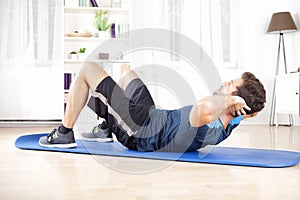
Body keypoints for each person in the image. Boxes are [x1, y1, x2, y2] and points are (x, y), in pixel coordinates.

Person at [39, 63, 266, 152]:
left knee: (88, 69)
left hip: (138, 129)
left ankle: (64, 133)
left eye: (231, 85)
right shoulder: (232, 120)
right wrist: (238, 105)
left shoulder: (210, 123)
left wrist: (232, 101)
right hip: (152, 115)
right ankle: (107, 126)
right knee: (126, 71)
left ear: (234, 100)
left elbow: (204, 107)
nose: (225, 83)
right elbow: (255, 109)